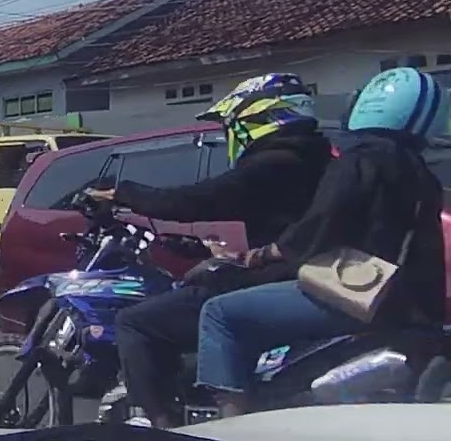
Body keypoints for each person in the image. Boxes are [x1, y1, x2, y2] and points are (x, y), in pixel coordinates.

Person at [196, 67, 448, 418]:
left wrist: (260, 254)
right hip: (407, 304)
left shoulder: (357, 160)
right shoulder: (421, 172)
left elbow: (319, 225)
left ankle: (232, 423)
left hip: (356, 299)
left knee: (219, 314)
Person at [86, 73, 332, 429]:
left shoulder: (276, 163)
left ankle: (160, 423)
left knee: (135, 322)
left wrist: (122, 193)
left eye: (232, 125)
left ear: (256, 119)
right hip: (302, 272)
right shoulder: (321, 155)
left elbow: (193, 201)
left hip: (283, 279)